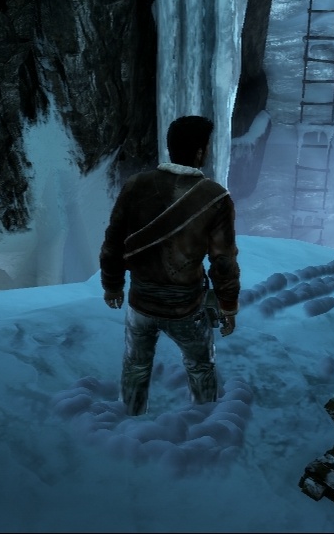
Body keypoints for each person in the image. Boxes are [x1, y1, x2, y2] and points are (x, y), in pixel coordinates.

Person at [99, 115, 241, 416]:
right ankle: (204, 422)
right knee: (201, 367)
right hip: (186, 308)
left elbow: (113, 240)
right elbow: (223, 261)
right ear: (200, 152)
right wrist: (228, 305)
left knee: (135, 366)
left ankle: (131, 418)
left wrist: (112, 285)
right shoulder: (215, 197)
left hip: (140, 303)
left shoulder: (135, 185)